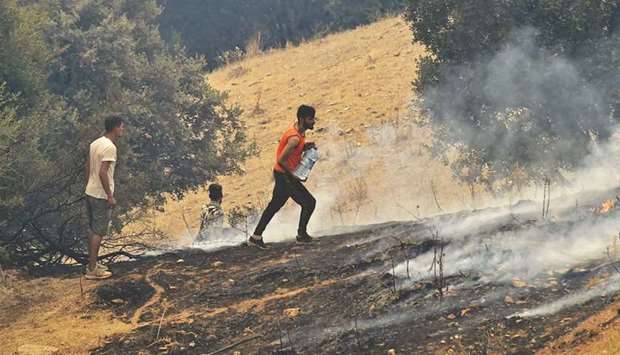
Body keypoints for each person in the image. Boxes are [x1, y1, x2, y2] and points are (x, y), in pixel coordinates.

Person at [249, 105, 318, 249]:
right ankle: (301, 235)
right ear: (302, 119)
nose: (313, 122)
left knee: (274, 206)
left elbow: (294, 151)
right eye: (310, 119)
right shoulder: (294, 138)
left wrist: (305, 146)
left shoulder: (298, 133)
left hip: (282, 174)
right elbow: (281, 159)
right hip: (285, 176)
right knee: (309, 203)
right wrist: (293, 175)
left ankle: (256, 237)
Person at [84, 115, 124, 280]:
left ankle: (92, 264)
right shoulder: (110, 147)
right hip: (100, 194)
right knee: (99, 232)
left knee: (93, 229)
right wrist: (109, 195)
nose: (123, 130)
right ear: (115, 127)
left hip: (91, 191)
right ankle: (92, 269)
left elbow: (87, 166)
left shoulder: (95, 143)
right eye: (121, 127)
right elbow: (102, 172)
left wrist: (89, 185)